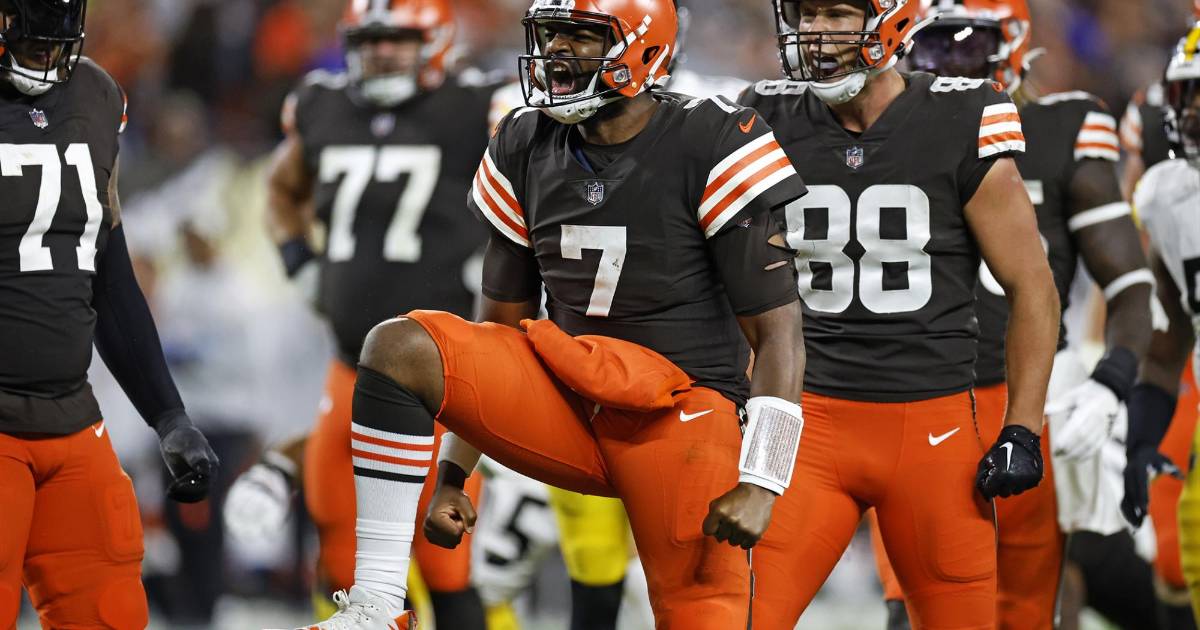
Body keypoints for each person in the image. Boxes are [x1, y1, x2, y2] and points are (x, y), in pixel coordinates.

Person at [289, 0, 808, 627]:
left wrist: (762, 480)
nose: (557, 50)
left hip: (680, 414)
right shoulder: (523, 138)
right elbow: (495, 336)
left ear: (645, 49)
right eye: (551, 33)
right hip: (569, 399)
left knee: (701, 612)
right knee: (399, 348)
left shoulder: (713, 136)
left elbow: (778, 335)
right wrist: (453, 472)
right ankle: (377, 604)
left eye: (581, 36)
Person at [738, 0, 1060, 627]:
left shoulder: (963, 115)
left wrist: (1022, 429)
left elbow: (1033, 288)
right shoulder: (764, 114)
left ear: (891, 20)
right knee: (740, 616)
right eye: (807, 14)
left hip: (932, 429)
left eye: (837, 13)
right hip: (804, 423)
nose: (816, 32)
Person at [861, 1, 1155, 628]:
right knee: (910, 609)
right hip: (913, 398)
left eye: (966, 45)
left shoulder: (1063, 128)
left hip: (1029, 397)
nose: (948, 66)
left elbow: (1131, 282)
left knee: (1029, 606)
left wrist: (1110, 381)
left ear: (1013, 45)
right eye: (932, 46)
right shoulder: (874, 133)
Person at [221, 0, 513, 626]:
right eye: (370, 39)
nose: (381, 52)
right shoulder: (324, 104)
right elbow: (281, 187)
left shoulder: (475, 106)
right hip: (348, 364)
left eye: (397, 39)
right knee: (340, 551)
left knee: (443, 558)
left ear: (436, 41)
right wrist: (298, 258)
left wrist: (503, 263)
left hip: (442, 378)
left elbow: (539, 182)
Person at [0, 0, 220, 627]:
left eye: (55, 37)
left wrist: (167, 414)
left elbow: (110, 271)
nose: (46, 53)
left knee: (111, 612)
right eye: (31, 37)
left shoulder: (95, 96)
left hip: (71, 419)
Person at [1127, 22, 1200, 626]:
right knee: (1184, 560)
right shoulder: (1167, 198)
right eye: (1189, 94)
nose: (1195, 110)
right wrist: (1141, 439)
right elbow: (1170, 340)